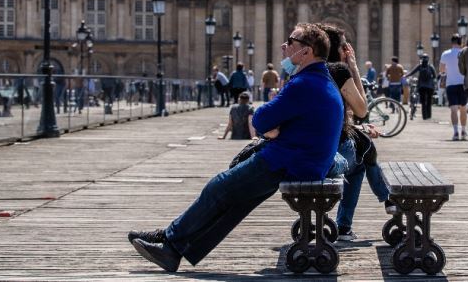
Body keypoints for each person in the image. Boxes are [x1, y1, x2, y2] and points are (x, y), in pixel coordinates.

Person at [128, 23, 343, 273]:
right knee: (236, 201)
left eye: (290, 42)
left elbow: (260, 119)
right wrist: (276, 125)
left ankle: (171, 243)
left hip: (288, 161)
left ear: (306, 52)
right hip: (307, 162)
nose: (284, 47)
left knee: (218, 188)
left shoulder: (303, 83)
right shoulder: (321, 80)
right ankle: (171, 242)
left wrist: (273, 125)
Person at [316, 23, 392, 242]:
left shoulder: (302, 72)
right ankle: (385, 201)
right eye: (343, 47)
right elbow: (361, 110)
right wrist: (353, 67)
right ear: (337, 50)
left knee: (361, 145)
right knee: (360, 160)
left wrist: (356, 128)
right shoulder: (337, 71)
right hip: (329, 154)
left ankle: (350, 223)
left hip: (302, 151)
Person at [439, 34, 468, 140]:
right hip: (463, 84)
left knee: (454, 109)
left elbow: (441, 70)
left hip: (450, 84)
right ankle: (464, 131)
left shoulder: (445, 54)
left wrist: (449, 71)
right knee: (463, 109)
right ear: (460, 42)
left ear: (452, 43)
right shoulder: (464, 53)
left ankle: (456, 132)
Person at [407, 53, 436, 120]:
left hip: (421, 86)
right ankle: (429, 115)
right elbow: (434, 76)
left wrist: (406, 76)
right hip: (429, 86)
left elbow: (412, 72)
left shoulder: (420, 66)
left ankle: (424, 116)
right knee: (429, 101)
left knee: (423, 102)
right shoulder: (430, 66)